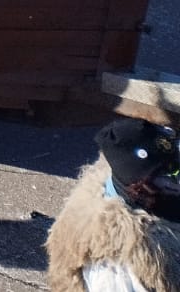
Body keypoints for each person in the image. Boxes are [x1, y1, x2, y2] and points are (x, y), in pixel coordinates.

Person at [46, 117, 180, 292]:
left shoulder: (148, 194)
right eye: (171, 174)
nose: (176, 179)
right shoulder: (116, 268)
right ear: (140, 186)